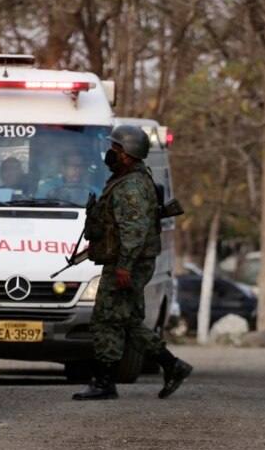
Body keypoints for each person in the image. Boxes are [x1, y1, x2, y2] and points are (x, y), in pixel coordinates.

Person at [73, 125, 193, 400]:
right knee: (127, 320)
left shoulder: (131, 186)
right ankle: (172, 365)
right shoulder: (127, 179)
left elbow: (135, 230)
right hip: (126, 260)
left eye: (115, 148)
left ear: (127, 153)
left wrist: (124, 265)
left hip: (127, 264)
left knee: (106, 318)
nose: (110, 153)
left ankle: (104, 382)